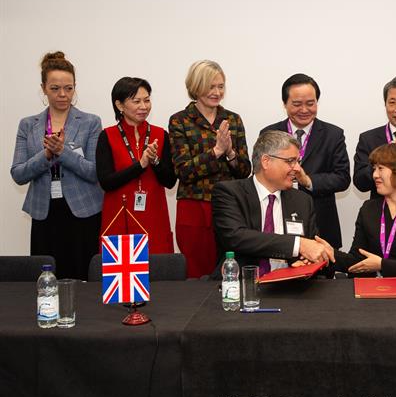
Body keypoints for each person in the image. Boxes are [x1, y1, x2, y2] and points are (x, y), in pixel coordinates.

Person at [11, 52, 102, 280]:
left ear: (75, 88)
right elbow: (18, 174)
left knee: (84, 277)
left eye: (69, 88)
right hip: (44, 212)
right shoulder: (28, 125)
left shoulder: (91, 122)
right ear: (43, 88)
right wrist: (46, 155)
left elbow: (94, 172)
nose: (63, 94)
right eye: (55, 88)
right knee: (48, 279)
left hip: (83, 212)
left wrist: (62, 152)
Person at [169, 60, 251, 278]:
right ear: (196, 87)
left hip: (230, 205)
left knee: (230, 270)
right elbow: (183, 170)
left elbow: (245, 171)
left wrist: (230, 153)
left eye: (220, 86)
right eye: (210, 86)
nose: (217, 92)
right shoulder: (180, 121)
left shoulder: (233, 119)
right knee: (198, 272)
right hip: (195, 206)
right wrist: (216, 151)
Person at [212, 130, 333, 274]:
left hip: (289, 283)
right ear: (266, 161)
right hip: (241, 282)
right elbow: (236, 237)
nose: (297, 168)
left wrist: (306, 262)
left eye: (297, 161)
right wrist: (298, 245)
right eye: (290, 161)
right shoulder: (229, 192)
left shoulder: (302, 200)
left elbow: (311, 247)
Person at [260, 73, 350, 249]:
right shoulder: (269, 134)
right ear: (285, 104)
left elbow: (343, 178)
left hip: (320, 222)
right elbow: (260, 175)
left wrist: (308, 181)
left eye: (310, 103)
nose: (304, 110)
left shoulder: (333, 134)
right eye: (297, 104)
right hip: (277, 218)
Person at [328, 143, 396, 278]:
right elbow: (357, 260)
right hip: (371, 289)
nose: (375, 175)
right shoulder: (368, 209)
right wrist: (329, 253)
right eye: (374, 169)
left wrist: (383, 265)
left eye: (380, 168)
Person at [96, 77, 177, 253]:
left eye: (147, 100)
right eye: (136, 101)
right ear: (119, 105)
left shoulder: (160, 134)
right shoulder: (107, 136)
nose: (144, 106)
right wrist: (140, 165)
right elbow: (106, 182)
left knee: (158, 267)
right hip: (119, 217)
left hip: (154, 216)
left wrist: (155, 161)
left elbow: (170, 181)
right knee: (121, 268)